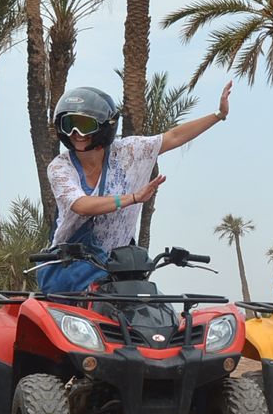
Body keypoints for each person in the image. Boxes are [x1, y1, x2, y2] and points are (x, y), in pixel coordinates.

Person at [41, 81, 232, 293]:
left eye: (85, 125)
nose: (77, 132)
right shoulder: (60, 167)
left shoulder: (129, 151)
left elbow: (173, 137)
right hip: (73, 266)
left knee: (154, 304)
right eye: (69, 125)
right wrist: (132, 198)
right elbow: (81, 205)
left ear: (106, 126)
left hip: (119, 267)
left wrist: (218, 114)